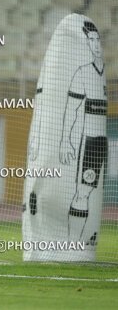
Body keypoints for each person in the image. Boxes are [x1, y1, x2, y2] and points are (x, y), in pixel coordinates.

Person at [59, 21, 107, 243]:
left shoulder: (107, 72)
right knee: (82, 192)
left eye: (98, 39)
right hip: (88, 142)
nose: (95, 44)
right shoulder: (83, 73)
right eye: (91, 40)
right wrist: (65, 141)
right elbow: (71, 109)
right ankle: (72, 243)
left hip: (103, 143)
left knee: (91, 192)